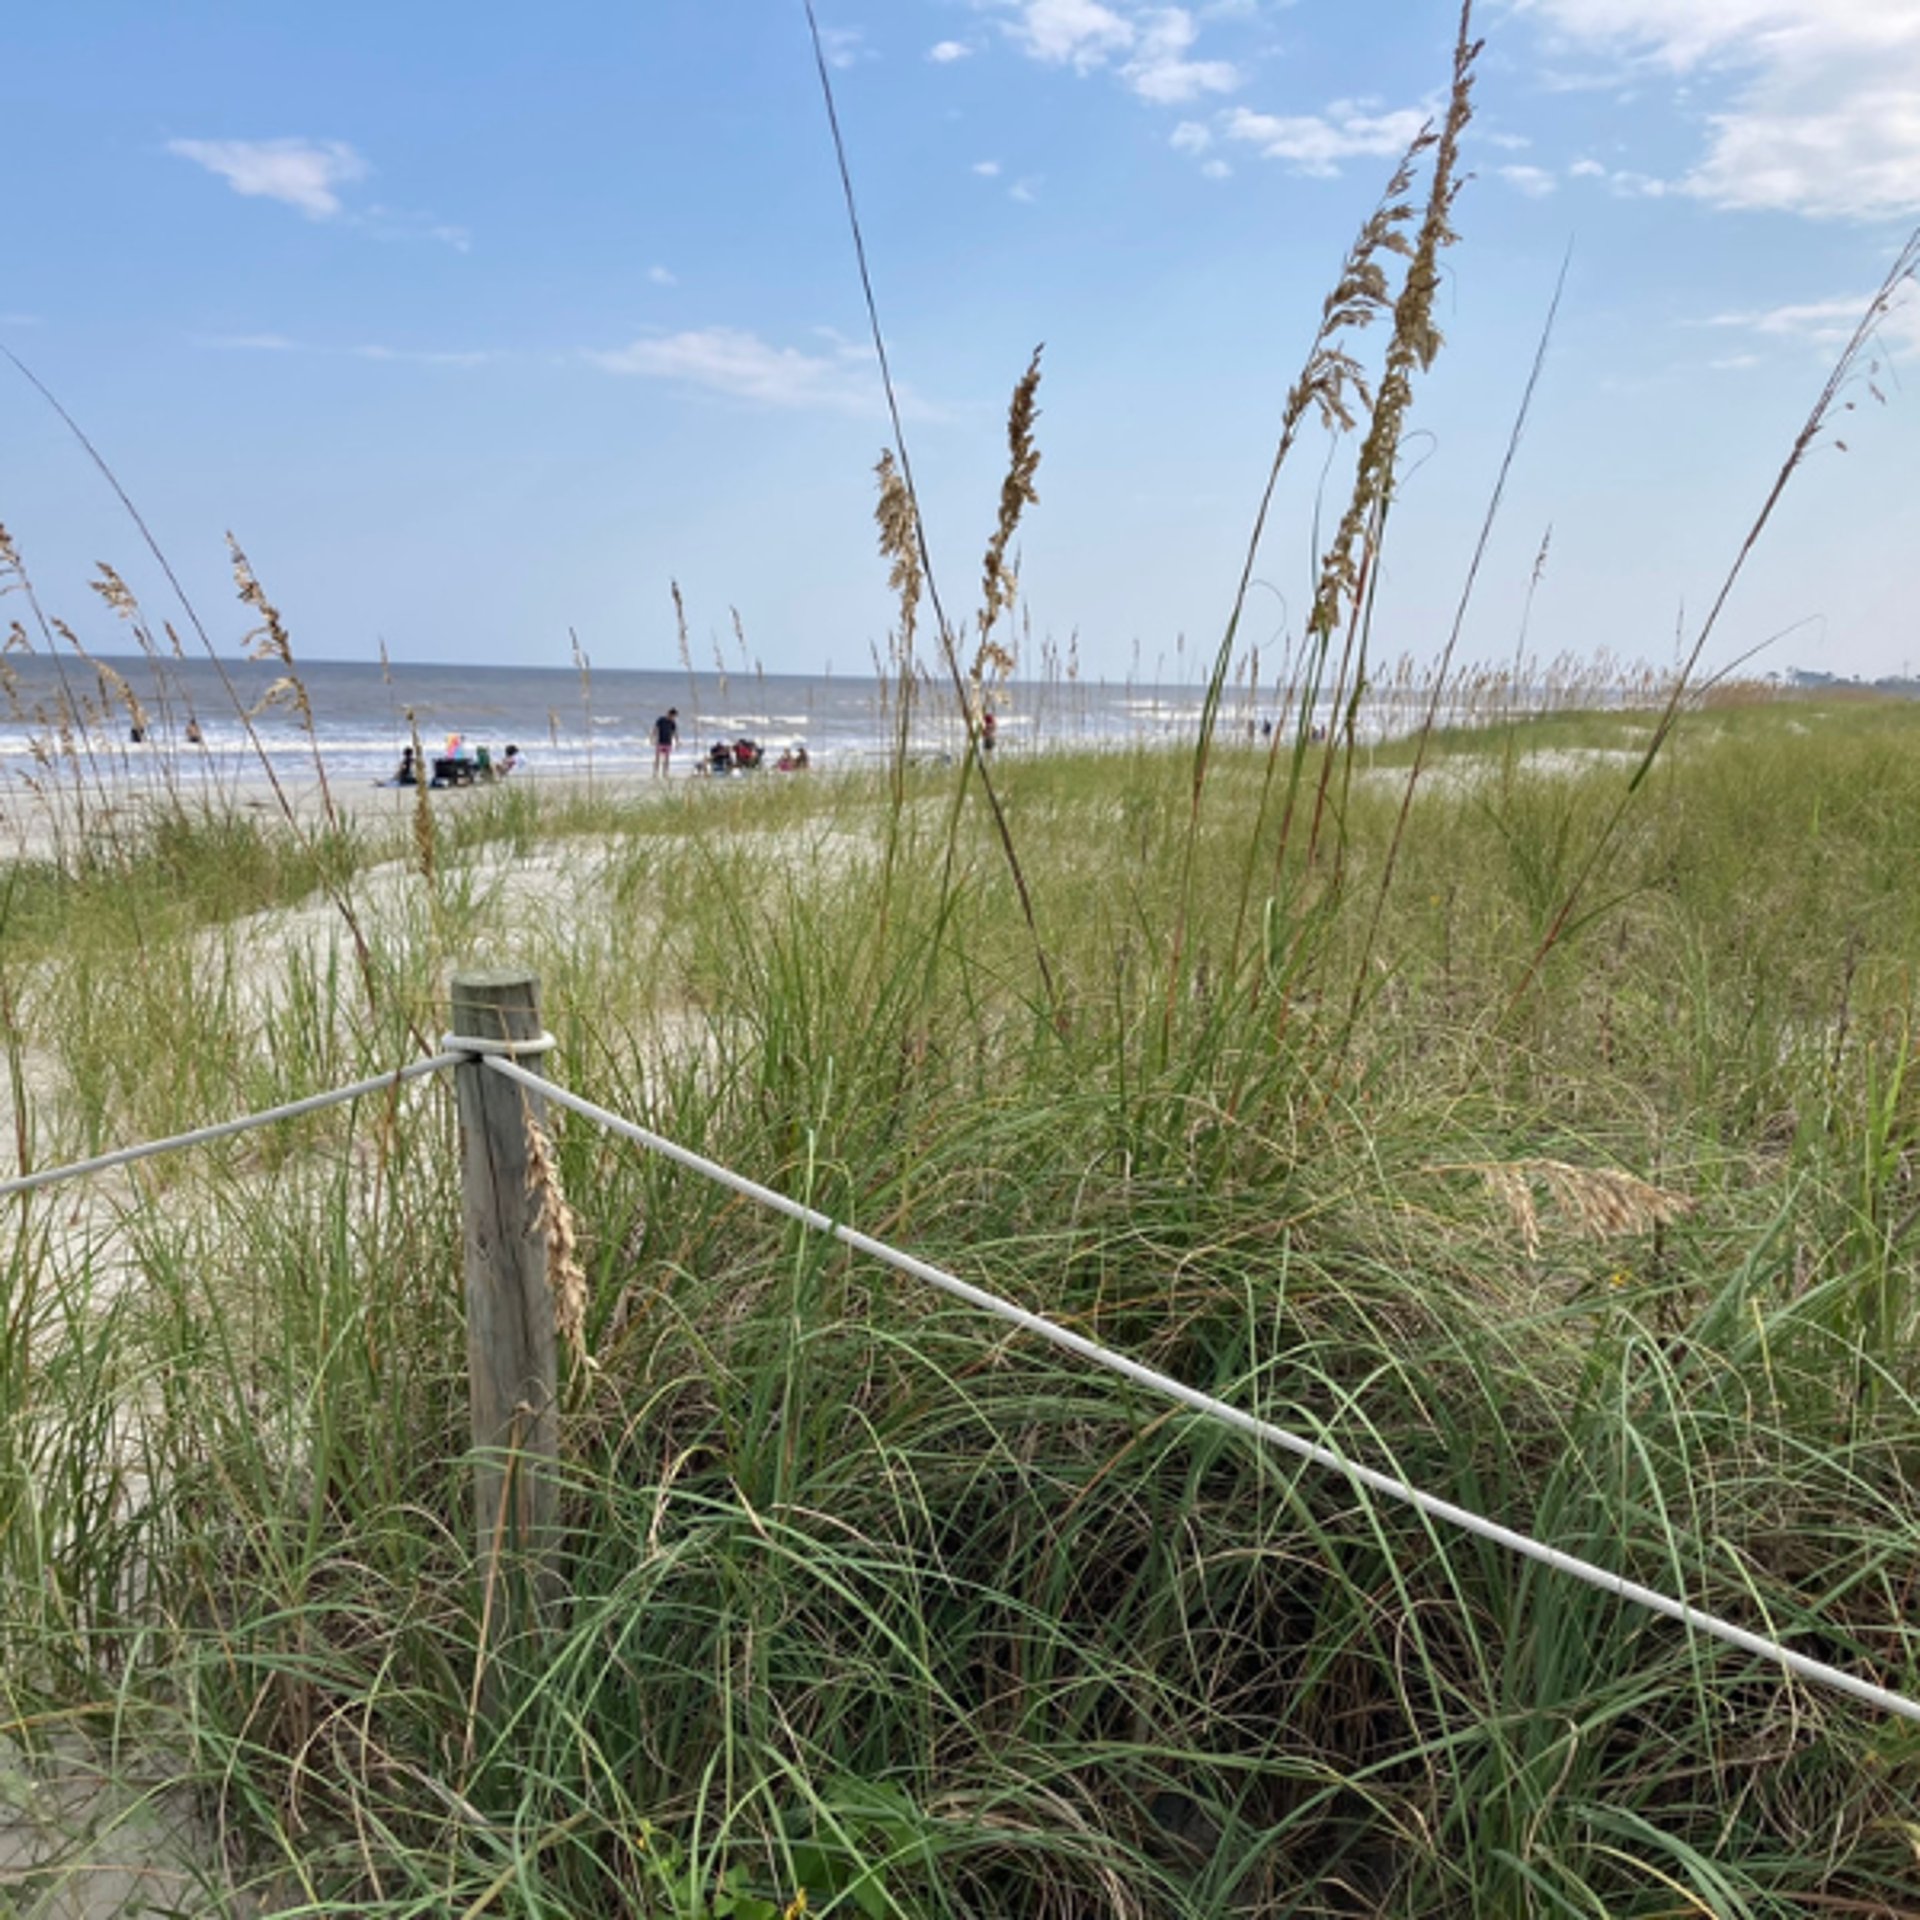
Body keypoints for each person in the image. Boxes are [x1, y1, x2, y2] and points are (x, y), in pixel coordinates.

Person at [653, 707, 679, 775]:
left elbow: (674, 733)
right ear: (669, 714)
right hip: (660, 741)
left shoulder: (672, 723)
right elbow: (655, 729)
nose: (674, 718)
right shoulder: (661, 720)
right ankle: (655, 772)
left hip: (668, 742)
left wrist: (677, 741)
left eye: (674, 717)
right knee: (657, 758)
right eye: (673, 716)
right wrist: (652, 737)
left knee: (667, 759)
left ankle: (665, 772)